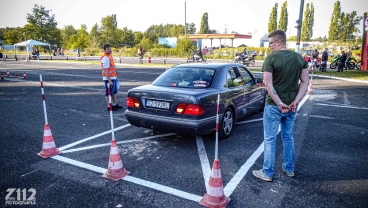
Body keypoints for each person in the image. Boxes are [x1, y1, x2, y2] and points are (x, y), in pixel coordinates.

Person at [252, 30, 309, 182]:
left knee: (270, 139)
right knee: (288, 137)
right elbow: (305, 81)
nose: (268, 46)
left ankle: (267, 173)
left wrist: (279, 103)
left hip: (274, 106)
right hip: (291, 106)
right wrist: (296, 101)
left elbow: (268, 84)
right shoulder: (298, 58)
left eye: (270, 42)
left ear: (279, 42)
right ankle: (289, 169)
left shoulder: (271, 59)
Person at [101, 43, 123, 111]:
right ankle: (109, 106)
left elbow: (112, 66)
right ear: (104, 50)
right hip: (109, 79)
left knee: (114, 92)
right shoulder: (106, 58)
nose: (110, 50)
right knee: (109, 93)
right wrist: (109, 81)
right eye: (108, 49)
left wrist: (115, 73)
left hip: (113, 77)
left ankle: (114, 104)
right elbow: (106, 70)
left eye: (110, 49)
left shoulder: (110, 56)